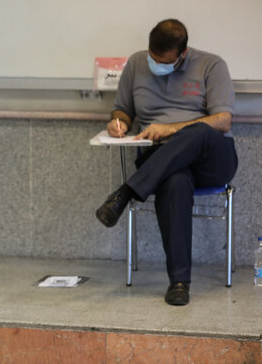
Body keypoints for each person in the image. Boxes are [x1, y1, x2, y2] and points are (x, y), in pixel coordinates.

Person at [95, 19, 238, 306]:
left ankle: (126, 192)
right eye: (153, 58)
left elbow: (223, 121)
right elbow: (123, 110)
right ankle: (179, 283)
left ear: (182, 54)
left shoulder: (211, 65)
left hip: (210, 159)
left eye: (164, 61)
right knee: (174, 181)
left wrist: (171, 129)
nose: (156, 65)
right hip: (161, 160)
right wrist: (118, 123)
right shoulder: (137, 63)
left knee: (199, 131)